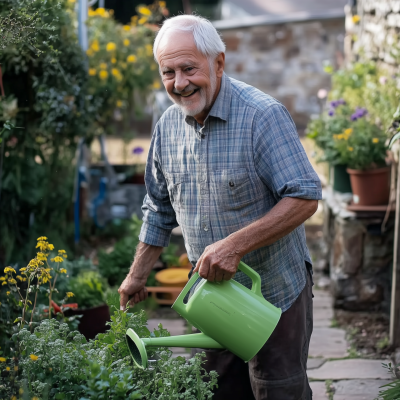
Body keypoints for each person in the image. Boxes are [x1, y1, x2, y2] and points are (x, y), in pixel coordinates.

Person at [118, 14, 322, 400]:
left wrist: (234, 246)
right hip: (211, 301)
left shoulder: (262, 116)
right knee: (212, 391)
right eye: (168, 72)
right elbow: (158, 208)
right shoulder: (167, 128)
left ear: (219, 63)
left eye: (189, 68)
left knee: (278, 392)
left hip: (273, 294)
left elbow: (305, 196)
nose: (179, 84)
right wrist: (136, 276)